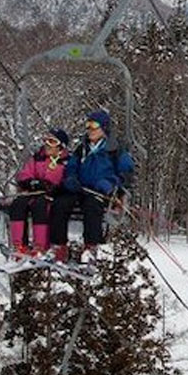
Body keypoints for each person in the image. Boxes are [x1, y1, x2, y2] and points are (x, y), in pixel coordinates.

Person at [49, 110, 134, 262]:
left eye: (94, 126)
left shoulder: (115, 149)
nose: (90, 130)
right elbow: (72, 167)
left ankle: (90, 247)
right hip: (80, 189)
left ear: (104, 128)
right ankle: (59, 247)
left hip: (100, 191)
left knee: (92, 206)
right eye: (88, 126)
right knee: (60, 204)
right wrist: (71, 179)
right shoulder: (82, 148)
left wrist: (110, 183)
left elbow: (126, 172)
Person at [9, 128, 70, 256]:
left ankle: (40, 245)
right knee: (17, 204)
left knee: (40, 206)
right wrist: (30, 182)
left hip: (50, 196)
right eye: (46, 141)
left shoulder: (65, 161)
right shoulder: (38, 158)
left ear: (60, 146)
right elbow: (25, 173)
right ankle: (19, 244)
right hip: (33, 192)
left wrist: (50, 185)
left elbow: (65, 179)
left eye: (52, 142)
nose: (47, 144)